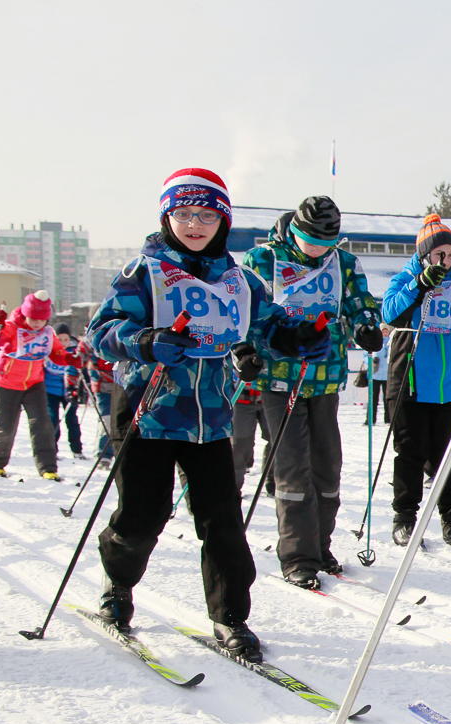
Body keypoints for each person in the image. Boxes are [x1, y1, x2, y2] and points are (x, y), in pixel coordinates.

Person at [86, 167, 328, 661]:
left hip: (212, 418)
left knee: (222, 521)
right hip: (149, 412)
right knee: (141, 518)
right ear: (167, 217)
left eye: (206, 215)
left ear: (223, 221)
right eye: (184, 213)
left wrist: (301, 338)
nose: (194, 224)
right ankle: (117, 585)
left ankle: (230, 616)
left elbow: (270, 327)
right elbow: (101, 330)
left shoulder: (241, 281)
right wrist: (146, 341)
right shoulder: (144, 272)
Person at [242, 196, 381, 588]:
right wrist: (248, 351)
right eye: (312, 242)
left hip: (325, 375)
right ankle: (297, 556)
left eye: (327, 243)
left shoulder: (343, 262)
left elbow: (359, 302)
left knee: (327, 466)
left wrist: (365, 325)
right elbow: (248, 313)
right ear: (294, 231)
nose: (320, 250)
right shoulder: (263, 259)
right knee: (292, 468)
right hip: (279, 377)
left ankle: (320, 545)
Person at [383, 213, 451, 551]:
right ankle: (405, 518)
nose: (446, 261)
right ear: (425, 254)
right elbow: (389, 314)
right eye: (440, 254)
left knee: (449, 455)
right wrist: (419, 284)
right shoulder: (405, 278)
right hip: (410, 382)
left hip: (447, 384)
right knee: (410, 452)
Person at [0, 290, 71, 479]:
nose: (37, 323)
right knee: (5, 426)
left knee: (42, 424)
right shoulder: (13, 326)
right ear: (25, 314)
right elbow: (0, 337)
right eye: (33, 318)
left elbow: (57, 353)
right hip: (7, 382)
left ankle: (48, 467)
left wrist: (70, 358)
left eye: (41, 319)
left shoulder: (47, 332)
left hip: (34, 383)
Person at [44, 323, 85, 459]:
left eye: (66, 339)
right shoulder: (48, 350)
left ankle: (77, 449)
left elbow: (79, 368)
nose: (63, 343)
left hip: (69, 390)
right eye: (59, 339)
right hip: (50, 391)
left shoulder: (73, 351)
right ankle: (52, 449)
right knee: (52, 420)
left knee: (72, 419)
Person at [79, 338, 116, 467]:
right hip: (102, 387)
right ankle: (104, 455)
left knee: (123, 421)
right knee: (107, 420)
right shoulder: (91, 338)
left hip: (124, 386)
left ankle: (121, 453)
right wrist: (71, 384)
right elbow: (77, 359)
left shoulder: (122, 333)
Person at [230, 381, 271, 495]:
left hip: (271, 395)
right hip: (240, 398)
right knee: (240, 445)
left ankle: (273, 481)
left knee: (277, 440)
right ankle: (234, 488)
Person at [365, 325, 390, 425]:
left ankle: (388, 419)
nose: (385, 333)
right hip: (375, 374)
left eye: (386, 331)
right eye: (383, 331)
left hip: (387, 374)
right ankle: (370, 419)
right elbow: (365, 355)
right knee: (373, 398)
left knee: (387, 398)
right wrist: (370, 361)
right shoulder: (374, 340)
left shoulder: (391, 341)